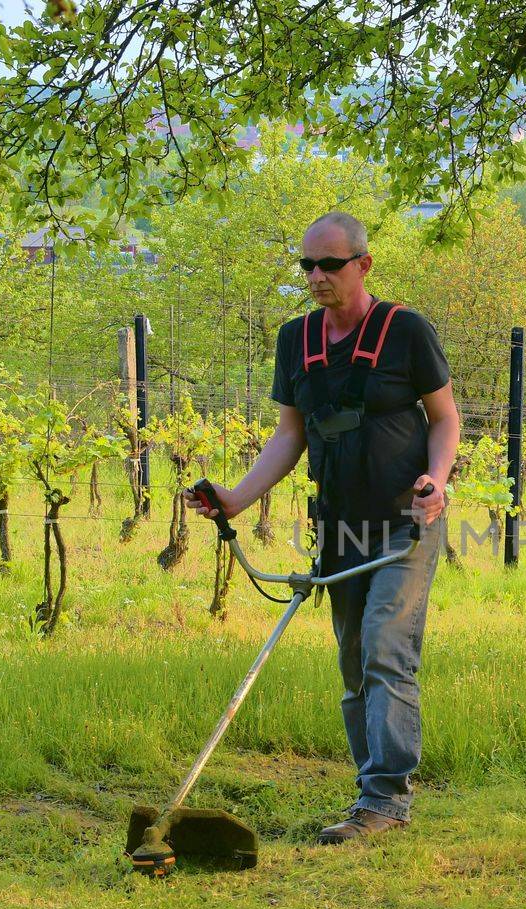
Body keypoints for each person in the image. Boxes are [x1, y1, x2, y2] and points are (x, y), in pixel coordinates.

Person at [186, 210, 460, 844]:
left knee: (387, 651)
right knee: (355, 660)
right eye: (306, 265)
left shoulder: (406, 332)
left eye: (330, 264)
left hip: (404, 524)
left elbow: (445, 419)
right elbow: (291, 436)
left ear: (362, 265)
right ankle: (372, 791)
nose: (316, 276)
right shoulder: (296, 342)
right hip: (339, 530)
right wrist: (234, 499)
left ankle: (386, 801)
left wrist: (437, 481)